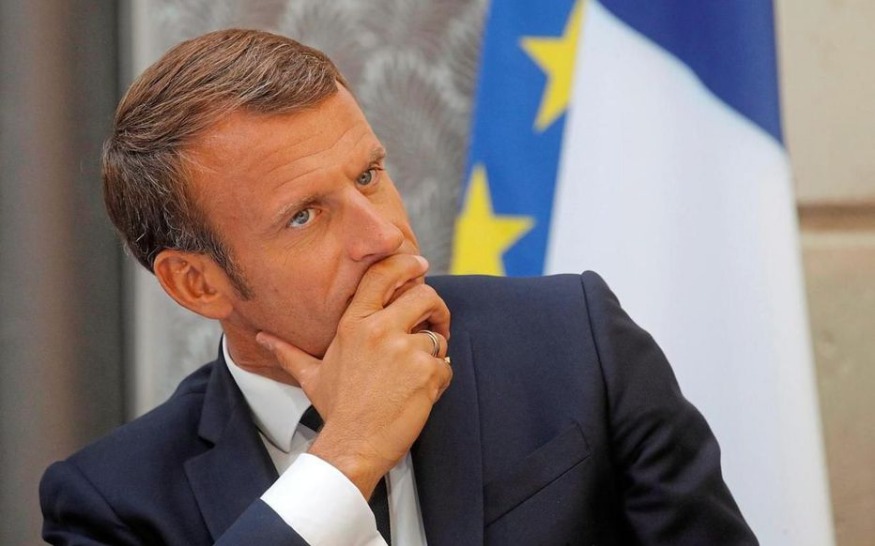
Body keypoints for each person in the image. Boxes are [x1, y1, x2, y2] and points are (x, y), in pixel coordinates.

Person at [40, 29, 757, 545]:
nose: (383, 235)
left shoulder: (574, 344)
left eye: (368, 176)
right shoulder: (115, 503)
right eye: (304, 215)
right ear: (197, 284)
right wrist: (345, 457)